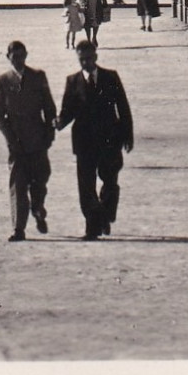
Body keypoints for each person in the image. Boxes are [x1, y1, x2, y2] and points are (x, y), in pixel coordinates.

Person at [56, 39, 134, 240]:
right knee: (86, 186)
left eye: (89, 58)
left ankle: (105, 214)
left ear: (96, 57)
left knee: (110, 182)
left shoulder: (111, 77)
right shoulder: (72, 81)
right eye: (82, 59)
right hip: (84, 142)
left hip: (110, 139)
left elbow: (123, 107)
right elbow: (68, 110)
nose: (86, 63)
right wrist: (59, 122)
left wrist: (128, 135)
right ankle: (92, 227)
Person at [0, 40, 57, 242]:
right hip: (16, 143)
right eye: (14, 57)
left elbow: (49, 108)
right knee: (17, 186)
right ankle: (18, 229)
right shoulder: (1, 81)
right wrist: (10, 138)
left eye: (22, 56)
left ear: (27, 55)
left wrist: (49, 134)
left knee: (40, 182)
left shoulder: (38, 77)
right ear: (8, 57)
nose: (19, 60)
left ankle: (37, 208)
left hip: (38, 141)